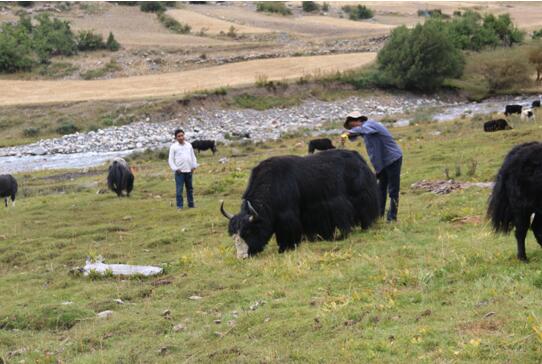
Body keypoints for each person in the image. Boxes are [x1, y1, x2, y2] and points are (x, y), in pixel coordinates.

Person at [342, 111, 403, 222]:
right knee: (381, 189)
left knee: (393, 190)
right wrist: (349, 134)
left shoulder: (370, 124)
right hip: (383, 163)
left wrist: (348, 132)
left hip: (393, 159)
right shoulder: (365, 132)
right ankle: (379, 216)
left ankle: (392, 218)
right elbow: (356, 135)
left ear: (358, 120)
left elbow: (362, 129)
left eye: (351, 125)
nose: (351, 127)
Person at [168, 129, 198, 209]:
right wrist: (175, 169)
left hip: (189, 171)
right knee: (179, 190)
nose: (181, 137)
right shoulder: (173, 147)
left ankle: (191, 205)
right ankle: (179, 206)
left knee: (190, 189)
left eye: (182, 135)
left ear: (184, 135)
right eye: (179, 136)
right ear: (176, 138)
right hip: (179, 172)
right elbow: (170, 160)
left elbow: (193, 157)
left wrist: (194, 166)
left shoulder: (189, 145)